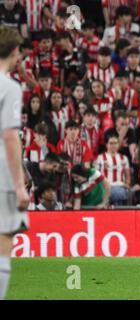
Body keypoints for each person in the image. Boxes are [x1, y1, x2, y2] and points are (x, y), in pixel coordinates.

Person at [0, 27, 30, 300]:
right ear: (13, 52)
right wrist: (20, 186)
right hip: (2, 176)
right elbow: (10, 136)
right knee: (3, 242)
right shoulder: (9, 86)